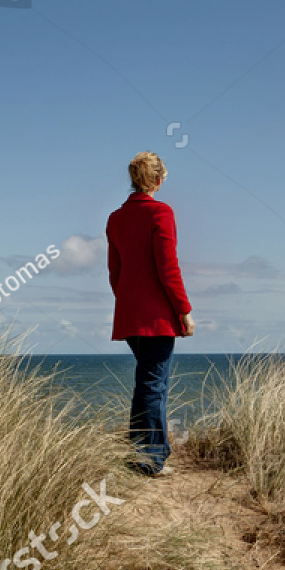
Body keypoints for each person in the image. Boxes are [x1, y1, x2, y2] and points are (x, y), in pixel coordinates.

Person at [106, 152, 194, 475]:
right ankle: (150, 459)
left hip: (130, 317)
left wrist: (130, 304)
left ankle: (148, 451)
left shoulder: (115, 219)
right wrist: (183, 311)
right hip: (156, 318)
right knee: (153, 384)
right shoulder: (161, 213)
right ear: (157, 180)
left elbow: (115, 274)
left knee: (149, 382)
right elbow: (168, 268)